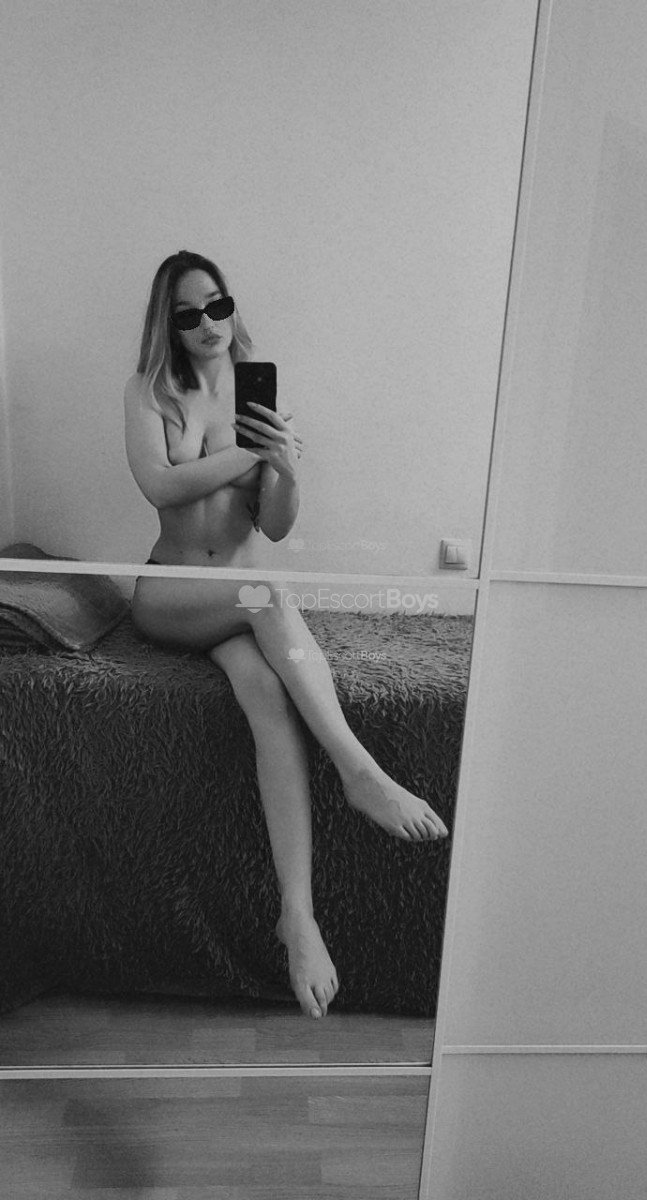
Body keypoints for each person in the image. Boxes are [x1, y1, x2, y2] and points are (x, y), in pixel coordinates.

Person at [124, 250, 449, 1021]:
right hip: (173, 595)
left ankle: (296, 917)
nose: (207, 323)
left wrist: (287, 470)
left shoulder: (256, 393)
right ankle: (358, 770)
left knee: (267, 696)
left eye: (217, 305)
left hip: (238, 599)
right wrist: (250, 451)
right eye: (188, 313)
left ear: (231, 307)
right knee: (266, 593)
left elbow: (271, 527)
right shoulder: (150, 390)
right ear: (168, 323)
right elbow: (160, 485)